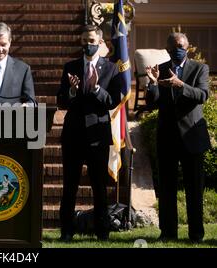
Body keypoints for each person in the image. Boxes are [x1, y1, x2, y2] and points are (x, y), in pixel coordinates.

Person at [56, 25, 121, 242]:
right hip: (73, 135)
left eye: (91, 40)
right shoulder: (70, 67)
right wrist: (72, 91)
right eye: (84, 40)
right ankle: (66, 231)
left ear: (100, 42)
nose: (87, 44)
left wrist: (95, 89)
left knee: (99, 186)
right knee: (69, 185)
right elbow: (61, 102)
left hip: (97, 136)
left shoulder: (111, 69)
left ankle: (102, 232)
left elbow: (113, 101)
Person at [145, 32, 211, 243]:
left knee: (194, 191)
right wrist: (153, 83)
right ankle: (168, 233)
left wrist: (179, 84)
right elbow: (152, 103)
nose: (177, 50)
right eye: (173, 48)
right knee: (166, 190)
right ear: (168, 50)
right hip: (167, 138)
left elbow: (203, 95)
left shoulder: (200, 68)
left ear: (188, 46)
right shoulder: (161, 69)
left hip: (192, 137)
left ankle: (196, 234)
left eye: (180, 46)